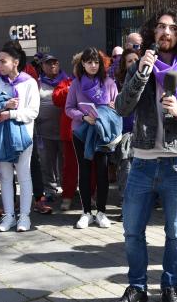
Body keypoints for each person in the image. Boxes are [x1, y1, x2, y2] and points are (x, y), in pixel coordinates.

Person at [115, 8, 177, 302]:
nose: (165, 32)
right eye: (160, 27)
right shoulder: (140, 67)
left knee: (176, 232)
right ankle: (137, 287)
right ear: (152, 33)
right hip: (143, 161)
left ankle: (170, 286)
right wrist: (143, 72)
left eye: (172, 28)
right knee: (132, 230)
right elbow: (122, 107)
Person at [0, 42, 40, 232]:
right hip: (0, 136)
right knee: (5, 177)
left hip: (23, 136)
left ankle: (24, 216)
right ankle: (9, 216)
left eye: (2, 61)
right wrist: (3, 107)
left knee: (24, 175)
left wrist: (12, 114)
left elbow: (33, 112)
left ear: (15, 62)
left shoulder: (29, 82)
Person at [65, 47, 119, 230]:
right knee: (85, 170)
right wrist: (83, 117)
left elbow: (117, 107)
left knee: (102, 171)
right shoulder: (76, 84)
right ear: (83, 64)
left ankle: (101, 212)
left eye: (96, 62)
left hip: (102, 133)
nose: (93, 65)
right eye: (89, 62)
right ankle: (86, 212)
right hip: (81, 132)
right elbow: (68, 108)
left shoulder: (109, 82)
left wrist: (111, 108)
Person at [36, 54, 68, 200]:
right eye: (48, 63)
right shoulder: (37, 83)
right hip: (45, 131)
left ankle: (67, 188)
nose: (52, 65)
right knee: (46, 163)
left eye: (55, 62)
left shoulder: (68, 81)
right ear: (42, 66)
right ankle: (49, 189)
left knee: (65, 162)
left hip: (64, 131)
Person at [52, 54, 80, 211]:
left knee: (91, 167)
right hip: (69, 134)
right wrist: (71, 88)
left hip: (89, 132)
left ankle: (90, 196)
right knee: (69, 166)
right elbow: (56, 99)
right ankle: (68, 196)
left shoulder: (94, 83)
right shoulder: (67, 83)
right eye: (77, 66)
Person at [114, 49, 140, 211]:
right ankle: (126, 205)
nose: (133, 63)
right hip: (125, 133)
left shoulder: (148, 79)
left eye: (136, 60)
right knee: (127, 170)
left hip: (145, 133)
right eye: (129, 61)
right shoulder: (118, 83)